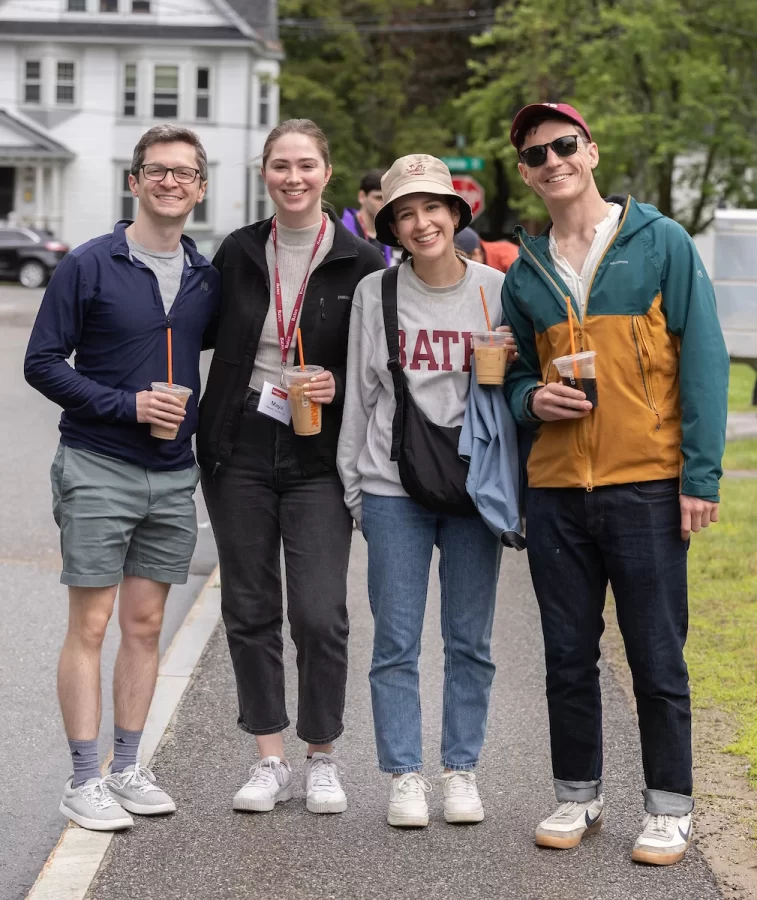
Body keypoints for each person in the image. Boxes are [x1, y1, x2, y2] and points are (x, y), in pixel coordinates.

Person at [503, 102, 729, 865]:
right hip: (557, 490)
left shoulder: (658, 242)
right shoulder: (525, 271)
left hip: (646, 486)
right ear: (526, 174)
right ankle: (576, 798)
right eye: (536, 155)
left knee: (656, 656)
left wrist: (698, 477)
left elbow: (702, 360)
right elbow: (515, 380)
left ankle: (668, 808)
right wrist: (528, 398)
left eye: (564, 145)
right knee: (566, 657)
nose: (552, 161)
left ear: (590, 151)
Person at [24, 125, 219, 831]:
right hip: (97, 464)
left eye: (185, 173)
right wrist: (125, 404)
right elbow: (42, 363)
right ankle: (83, 780)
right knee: (93, 622)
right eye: (157, 171)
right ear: (133, 181)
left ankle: (128, 767)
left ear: (201, 187)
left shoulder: (206, 278)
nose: (171, 183)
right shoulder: (89, 264)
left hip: (172, 476)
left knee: (144, 625)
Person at [198, 119, 385, 816]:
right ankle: (269, 757)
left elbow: (380, 363)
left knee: (317, 611)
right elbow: (195, 326)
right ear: (264, 173)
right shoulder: (241, 251)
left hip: (319, 451)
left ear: (326, 172)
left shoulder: (362, 261)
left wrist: (337, 378)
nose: (293, 177)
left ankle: (322, 755)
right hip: (239, 444)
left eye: (305, 165)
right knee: (248, 607)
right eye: (280, 165)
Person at [337, 155, 517, 828]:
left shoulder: (497, 289)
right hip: (392, 489)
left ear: (455, 213)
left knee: (469, 640)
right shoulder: (374, 293)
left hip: (475, 487)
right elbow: (359, 393)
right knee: (396, 641)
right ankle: (404, 773)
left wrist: (506, 364)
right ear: (392, 224)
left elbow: (520, 396)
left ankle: (460, 770)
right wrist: (354, 488)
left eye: (431, 208)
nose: (420, 223)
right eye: (404, 213)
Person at [341, 169, 393, 265]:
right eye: (378, 198)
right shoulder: (341, 232)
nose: (384, 204)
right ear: (362, 197)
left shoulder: (389, 234)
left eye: (388, 199)